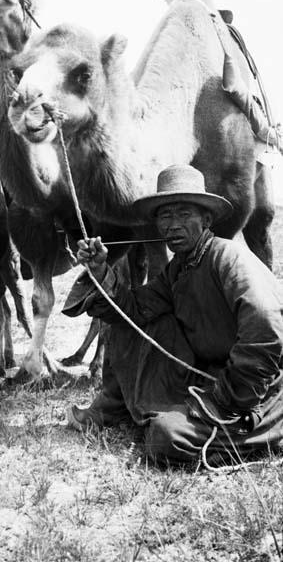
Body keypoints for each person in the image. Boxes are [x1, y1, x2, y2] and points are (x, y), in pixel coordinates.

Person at [62, 164, 283, 466]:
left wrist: (226, 399)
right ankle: (111, 408)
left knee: (164, 437)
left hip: (258, 391)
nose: (173, 225)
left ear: (206, 219)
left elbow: (267, 328)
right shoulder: (178, 268)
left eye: (184, 215)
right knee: (128, 325)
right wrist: (101, 270)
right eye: (165, 216)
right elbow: (133, 310)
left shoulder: (227, 257)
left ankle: (269, 434)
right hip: (208, 375)